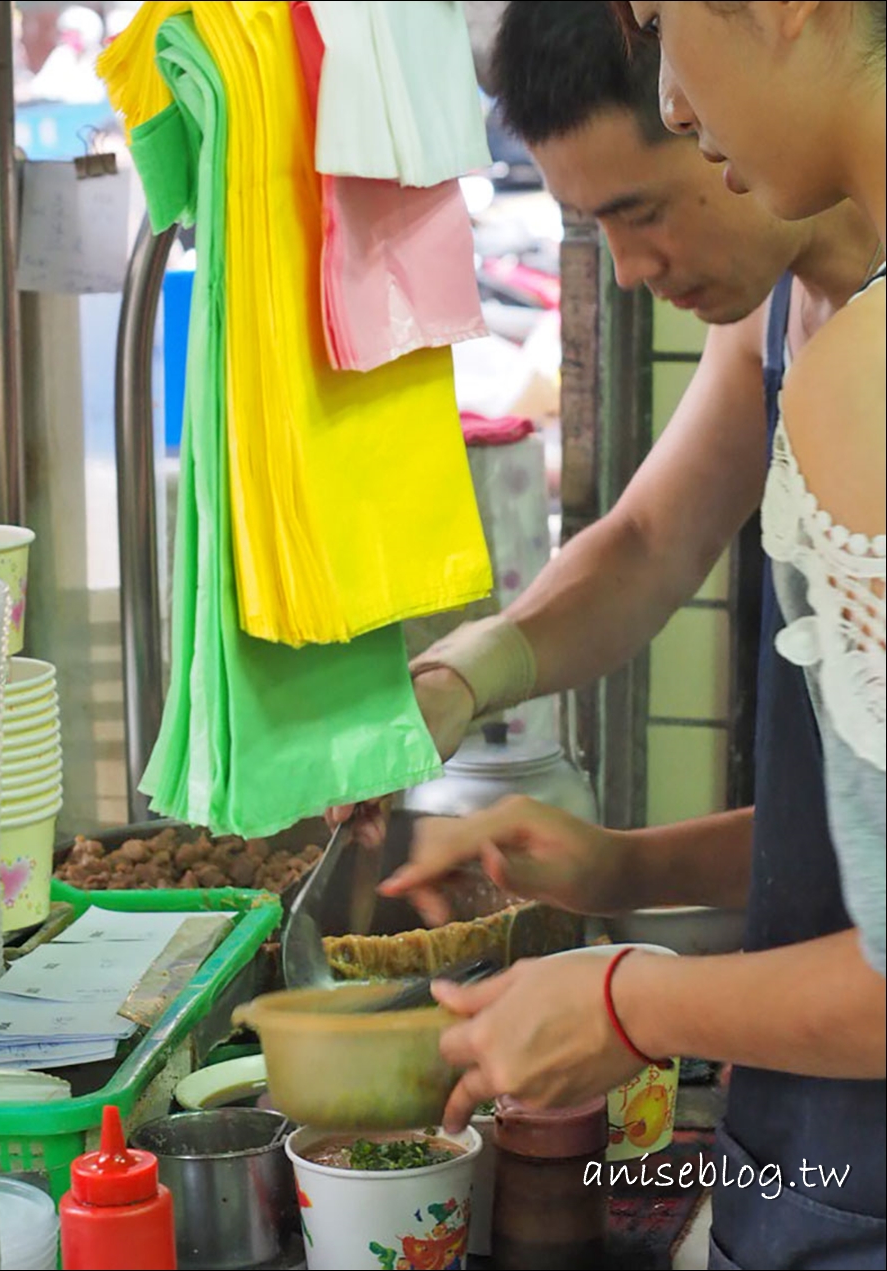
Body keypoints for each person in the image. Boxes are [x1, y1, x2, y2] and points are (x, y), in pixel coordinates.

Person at [374, 4, 885, 1267]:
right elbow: (647, 541)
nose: (679, 103)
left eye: (638, 209)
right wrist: (608, 862)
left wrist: (629, 997)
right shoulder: (802, 330)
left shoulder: (865, 381)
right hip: (811, 1146)